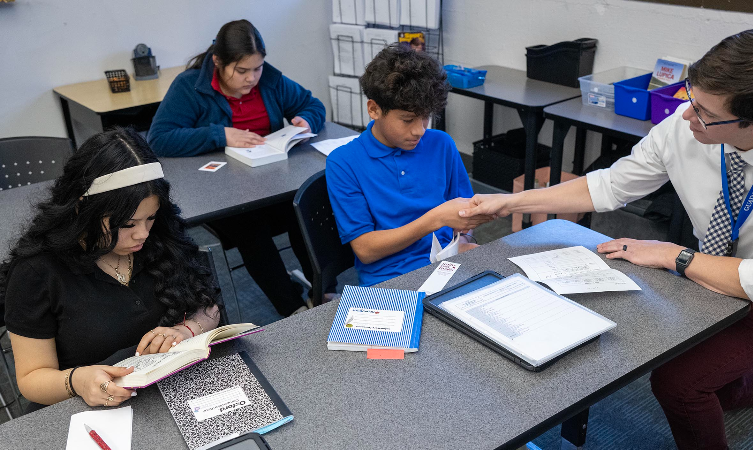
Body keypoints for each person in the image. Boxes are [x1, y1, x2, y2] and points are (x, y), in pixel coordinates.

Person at [460, 28, 753, 450]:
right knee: (695, 364)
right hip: (709, 267)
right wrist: (511, 204)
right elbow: (610, 185)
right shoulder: (686, 122)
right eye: (690, 98)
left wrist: (672, 255)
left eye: (705, 113)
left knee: (680, 383)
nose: (687, 117)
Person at [0, 129, 221, 409]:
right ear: (84, 210)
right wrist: (77, 380)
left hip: (173, 392)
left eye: (150, 218)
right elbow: (32, 379)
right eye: (127, 225)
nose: (142, 234)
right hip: (91, 407)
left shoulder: (161, 236)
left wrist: (188, 330)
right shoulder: (37, 271)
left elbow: (209, 304)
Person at [148, 19, 326, 316]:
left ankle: (322, 291)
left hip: (269, 180)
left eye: (257, 68)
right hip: (223, 192)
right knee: (250, 229)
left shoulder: (269, 79)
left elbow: (313, 105)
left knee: (302, 208)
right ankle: (292, 308)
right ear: (217, 61)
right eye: (242, 71)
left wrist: (305, 120)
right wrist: (221, 134)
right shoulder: (190, 86)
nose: (252, 78)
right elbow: (160, 139)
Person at [326, 44, 492, 286]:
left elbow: (464, 213)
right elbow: (366, 250)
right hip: (390, 279)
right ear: (374, 109)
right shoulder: (343, 163)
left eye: (426, 117)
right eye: (407, 120)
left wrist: (464, 238)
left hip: (446, 264)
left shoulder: (441, 144)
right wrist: (435, 220)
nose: (420, 130)